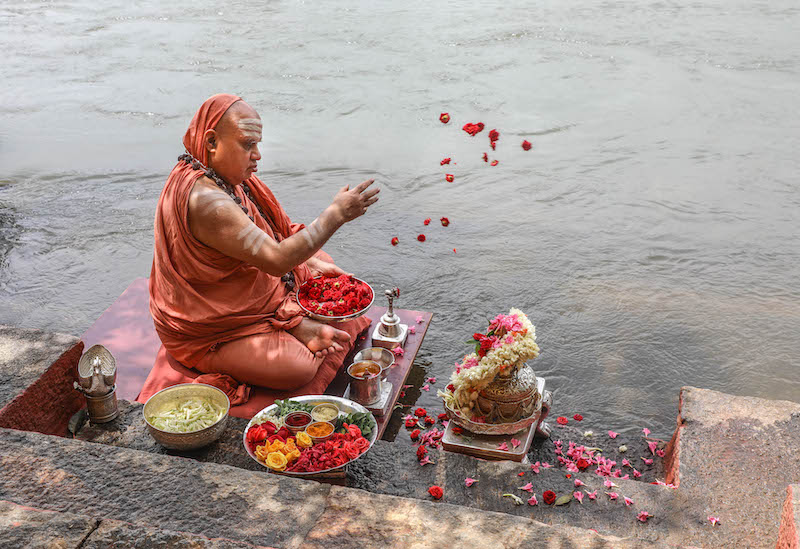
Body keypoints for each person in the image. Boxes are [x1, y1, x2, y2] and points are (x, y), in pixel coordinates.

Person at [149, 93, 379, 391]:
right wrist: (335, 214)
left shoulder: (221, 175)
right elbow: (277, 260)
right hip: (211, 327)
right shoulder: (207, 202)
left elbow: (274, 233)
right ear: (210, 142)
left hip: (246, 292)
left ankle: (292, 323)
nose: (257, 154)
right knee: (296, 368)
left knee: (323, 265)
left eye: (257, 145)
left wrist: (308, 260)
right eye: (248, 145)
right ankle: (289, 327)